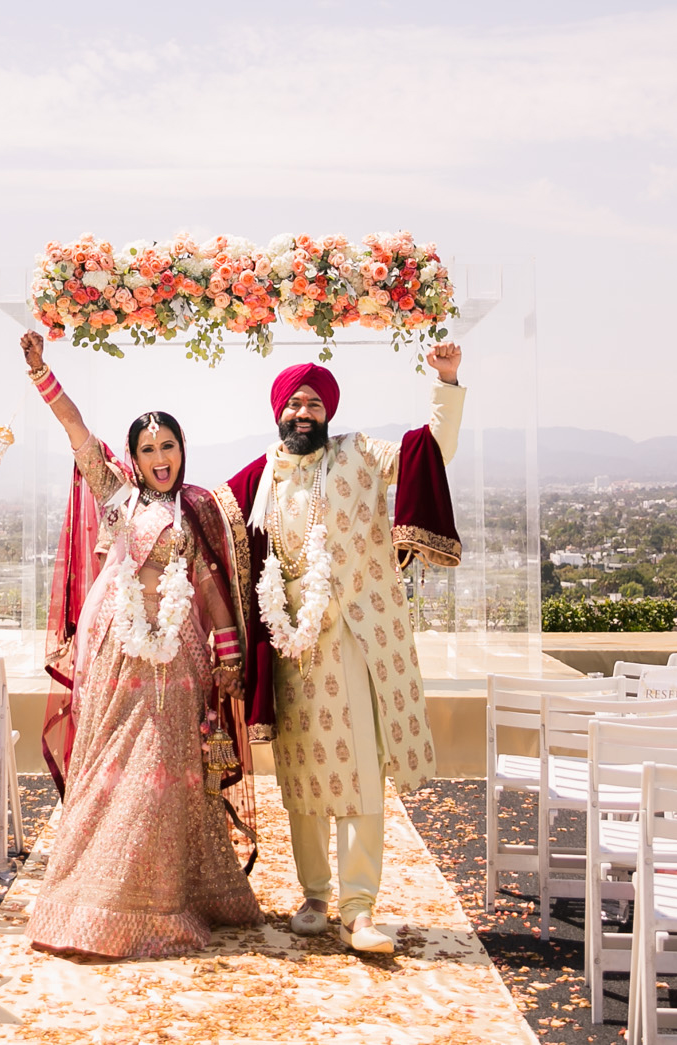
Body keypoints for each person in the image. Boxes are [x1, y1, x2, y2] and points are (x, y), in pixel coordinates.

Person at [211, 345, 464, 953]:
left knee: (358, 777)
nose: (304, 412)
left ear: (329, 413)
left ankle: (359, 908)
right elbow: (201, 521)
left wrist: (446, 382)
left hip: (354, 639)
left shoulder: (361, 454)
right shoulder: (259, 478)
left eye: (314, 404)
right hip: (293, 648)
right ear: (279, 412)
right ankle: (315, 896)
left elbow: (432, 452)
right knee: (302, 780)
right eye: (294, 403)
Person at [18, 331, 263, 958]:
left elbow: (208, 584)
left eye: (169, 446)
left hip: (178, 654)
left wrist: (229, 657)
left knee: (172, 769)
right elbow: (75, 430)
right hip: (118, 646)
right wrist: (44, 375)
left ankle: (172, 895)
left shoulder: (196, 508)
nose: (161, 456)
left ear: (183, 451)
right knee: (113, 766)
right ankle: (99, 898)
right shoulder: (117, 496)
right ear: (132, 456)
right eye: (149, 447)